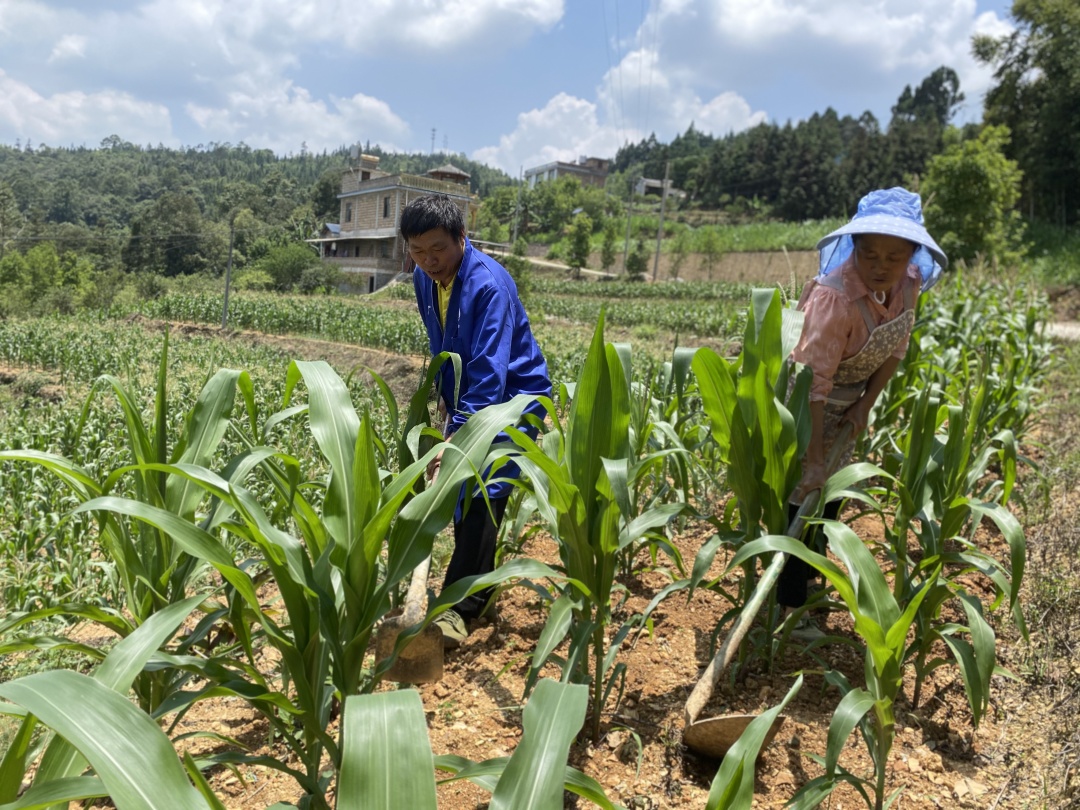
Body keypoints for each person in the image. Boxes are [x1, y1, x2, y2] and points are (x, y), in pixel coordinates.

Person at [778, 187, 948, 640]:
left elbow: (896, 346)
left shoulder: (907, 283)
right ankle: (789, 603)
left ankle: (811, 580)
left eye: (894, 256)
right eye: (869, 253)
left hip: (849, 399)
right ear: (853, 246)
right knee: (803, 494)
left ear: (912, 255)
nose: (881, 266)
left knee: (832, 496)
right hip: (808, 404)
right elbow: (813, 383)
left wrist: (865, 404)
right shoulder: (835, 298)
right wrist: (814, 457)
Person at [401, 193, 551, 648]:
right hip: (469, 395)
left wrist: (458, 436)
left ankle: (463, 608)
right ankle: (467, 587)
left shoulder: (489, 286)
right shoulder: (424, 279)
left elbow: (489, 372)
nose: (428, 261)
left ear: (461, 237)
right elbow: (444, 345)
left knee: (485, 486)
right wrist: (448, 405)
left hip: (512, 397)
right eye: (417, 251)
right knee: (458, 489)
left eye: (438, 249)